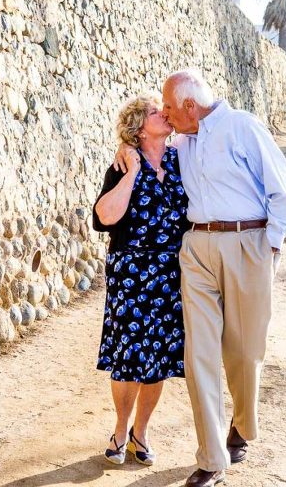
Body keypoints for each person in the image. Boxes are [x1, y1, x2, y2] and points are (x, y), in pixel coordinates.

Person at [115, 70, 286, 487]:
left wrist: (269, 247)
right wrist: (125, 149)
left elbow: (282, 190)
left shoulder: (242, 128)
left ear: (190, 107)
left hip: (247, 243)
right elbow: (147, 144)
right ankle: (212, 458)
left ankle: (243, 427)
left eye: (169, 108)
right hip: (196, 248)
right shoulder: (181, 141)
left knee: (245, 352)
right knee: (198, 355)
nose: (164, 113)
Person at [93, 94, 190, 466]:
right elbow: (104, 217)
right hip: (131, 273)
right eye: (154, 112)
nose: (163, 114)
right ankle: (120, 429)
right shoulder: (123, 165)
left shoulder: (180, 158)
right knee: (129, 356)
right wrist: (132, 172)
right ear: (137, 126)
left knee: (160, 359)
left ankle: (141, 433)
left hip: (171, 273)